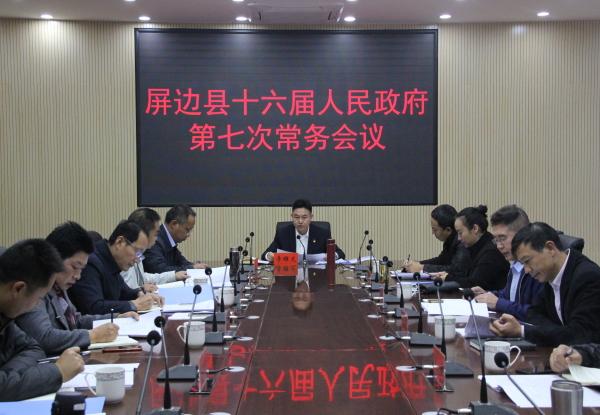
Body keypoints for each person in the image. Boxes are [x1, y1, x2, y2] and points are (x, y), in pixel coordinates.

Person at [17, 222, 137, 356]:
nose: (78, 276)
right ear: (55, 257)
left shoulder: (58, 286)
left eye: (81, 269)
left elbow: (75, 321)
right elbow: (44, 337)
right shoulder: (34, 285)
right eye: (75, 267)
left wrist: (116, 317)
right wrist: (92, 336)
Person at [490, 222, 600, 346]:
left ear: (550, 248)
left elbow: (580, 335)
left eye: (527, 261)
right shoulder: (549, 275)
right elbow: (535, 315)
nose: (526, 270)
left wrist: (522, 331)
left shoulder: (588, 277)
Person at [0, 239, 84, 401]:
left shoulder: (6, 315)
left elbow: (32, 347)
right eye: (39, 298)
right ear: (18, 288)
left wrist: (8, 377)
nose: (37, 305)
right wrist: (57, 372)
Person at [69, 220, 163, 314]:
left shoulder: (110, 260)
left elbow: (124, 293)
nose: (137, 260)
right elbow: (94, 307)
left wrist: (140, 293)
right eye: (137, 251)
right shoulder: (91, 262)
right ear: (119, 242)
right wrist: (133, 304)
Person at [472, 205, 543, 321]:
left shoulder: (537, 269)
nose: (499, 246)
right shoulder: (515, 264)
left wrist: (498, 303)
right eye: (496, 240)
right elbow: (509, 295)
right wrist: (487, 295)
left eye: (502, 238)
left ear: (522, 234)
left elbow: (537, 314)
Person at [441, 205, 509, 290]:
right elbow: (465, 274)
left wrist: (448, 278)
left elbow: (475, 283)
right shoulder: (474, 247)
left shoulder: (491, 252)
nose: (458, 238)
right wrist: (446, 275)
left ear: (475, 228)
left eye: (460, 233)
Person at [122, 208, 188, 290]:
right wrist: (141, 290)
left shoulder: (138, 252)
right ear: (143, 233)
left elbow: (142, 277)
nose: (157, 238)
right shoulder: (125, 254)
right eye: (155, 234)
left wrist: (173, 276)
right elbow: (124, 291)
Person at [261, 199, 345, 262]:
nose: (300, 221)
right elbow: (265, 255)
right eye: (296, 217)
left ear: (311, 217)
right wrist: (270, 256)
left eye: (304, 217)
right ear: (292, 217)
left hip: (316, 277)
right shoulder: (283, 233)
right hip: (289, 277)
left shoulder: (322, 233)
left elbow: (340, 254)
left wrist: (333, 256)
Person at [403, 204, 470, 277]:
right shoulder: (450, 239)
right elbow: (441, 260)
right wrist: (417, 264)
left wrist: (422, 268)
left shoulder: (462, 242)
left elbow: (456, 270)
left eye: (435, 229)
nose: (432, 233)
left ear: (448, 230)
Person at [143, 204, 207, 273]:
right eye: (187, 229)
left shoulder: (169, 240)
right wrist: (192, 268)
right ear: (174, 224)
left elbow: (182, 263)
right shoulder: (154, 241)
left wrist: (194, 266)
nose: (188, 234)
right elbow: (160, 270)